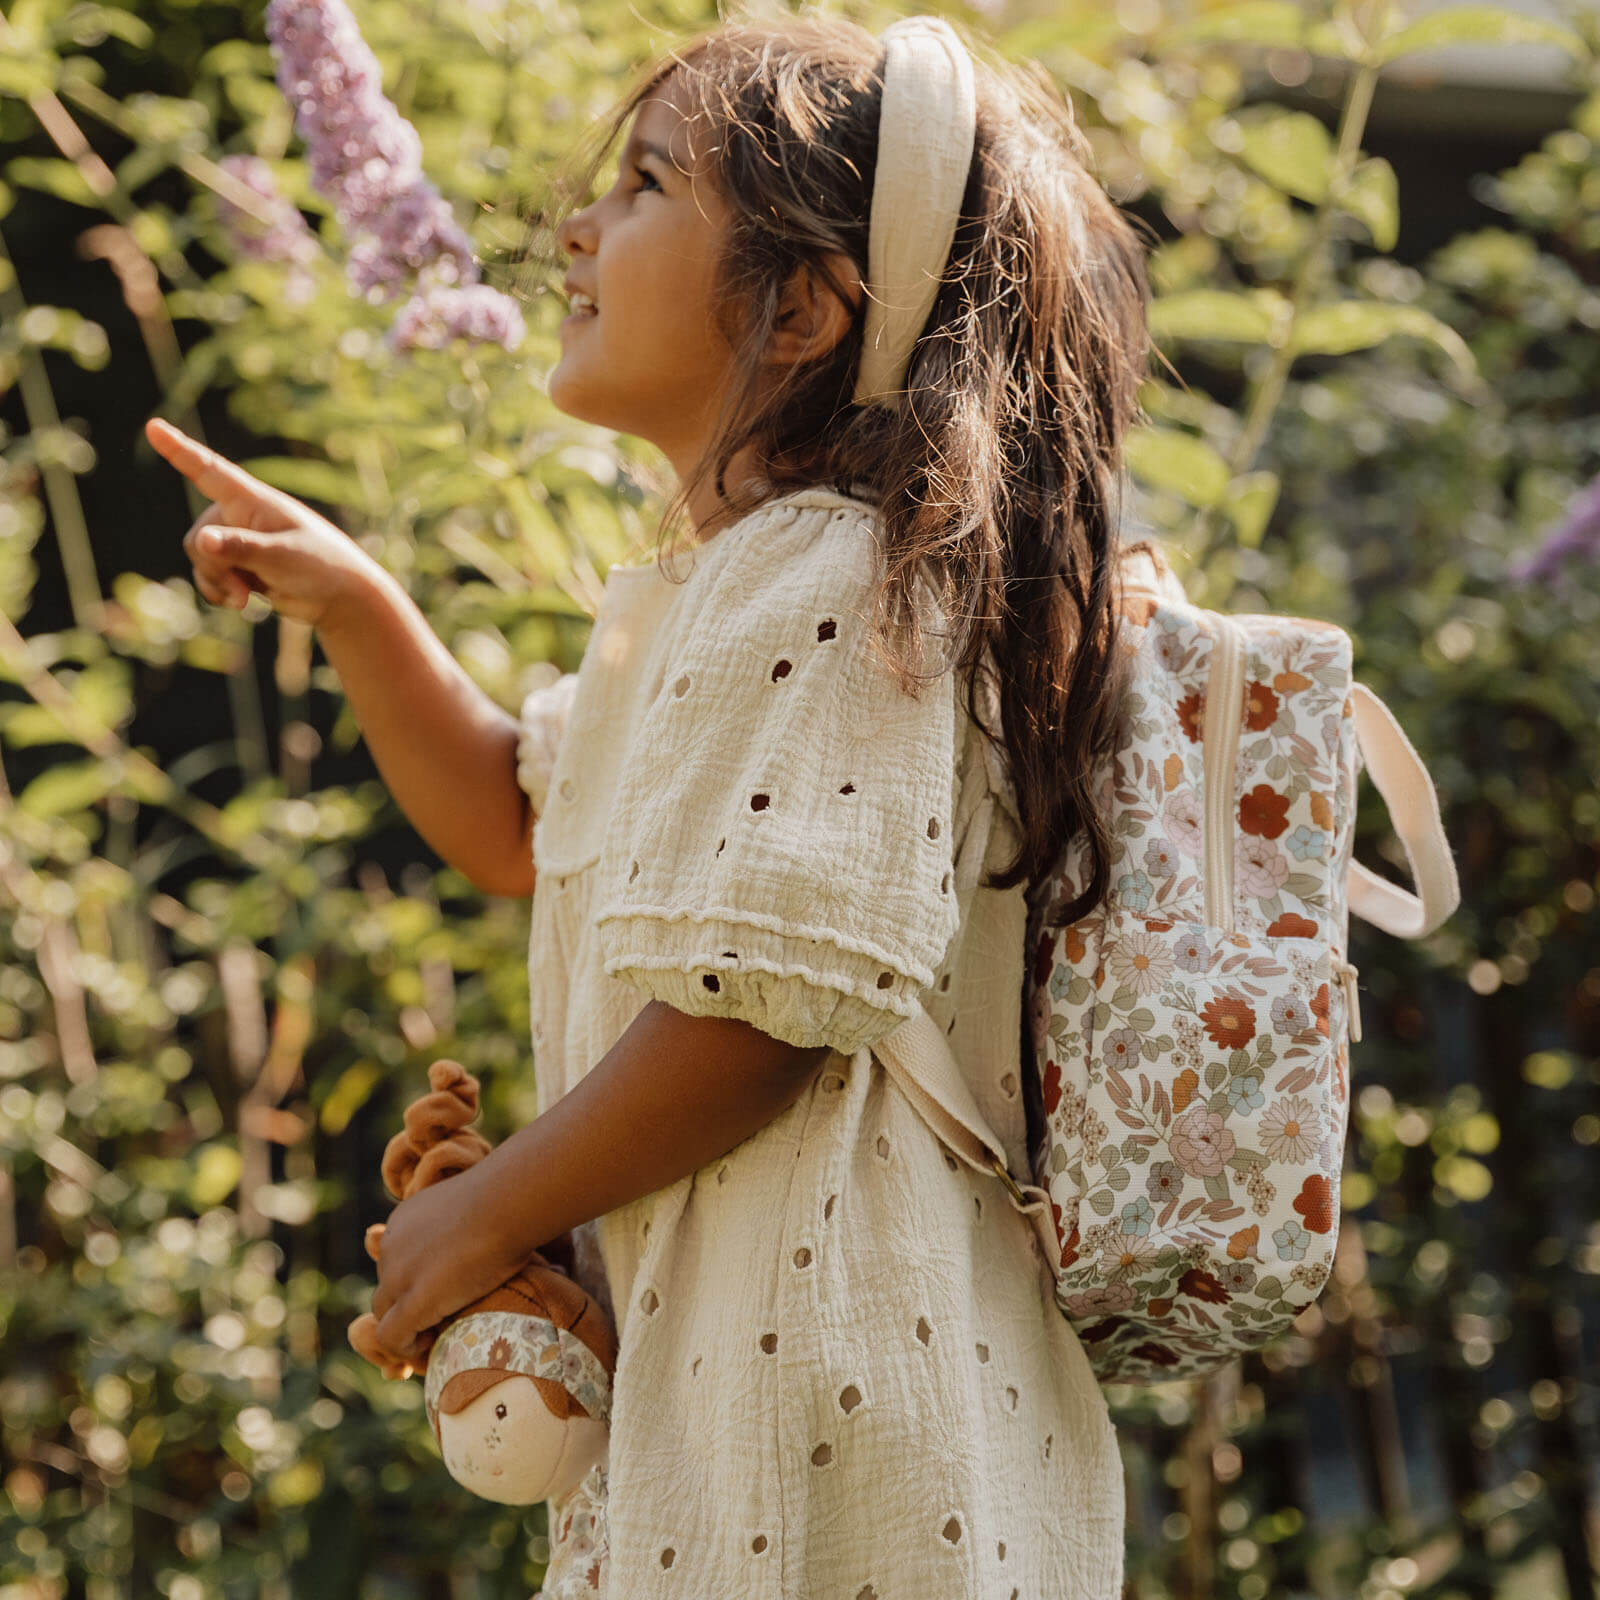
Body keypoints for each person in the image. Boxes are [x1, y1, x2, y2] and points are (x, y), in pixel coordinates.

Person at [149, 10, 1152, 1594]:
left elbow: (763, 1020)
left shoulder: (828, 575)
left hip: (834, 1393)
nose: (577, 223)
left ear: (806, 309)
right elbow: (517, 822)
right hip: (739, 1374)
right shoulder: (715, 596)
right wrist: (359, 605)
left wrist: (489, 1211)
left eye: (644, 185)